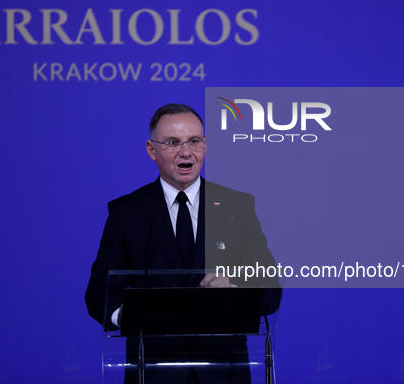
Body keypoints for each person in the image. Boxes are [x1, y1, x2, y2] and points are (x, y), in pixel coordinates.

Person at [85, 103, 281, 383]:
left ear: (205, 145)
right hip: (152, 370)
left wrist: (236, 289)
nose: (186, 152)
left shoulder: (237, 206)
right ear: (152, 150)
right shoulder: (126, 212)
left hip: (224, 370)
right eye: (173, 143)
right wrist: (124, 315)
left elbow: (271, 286)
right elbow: (98, 291)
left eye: (194, 141)